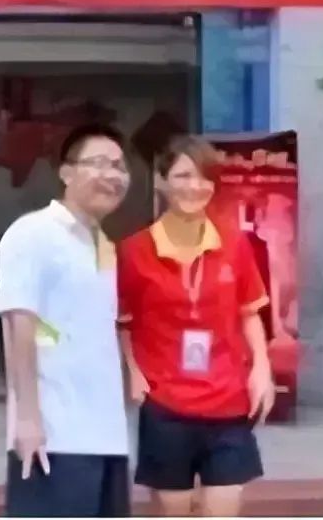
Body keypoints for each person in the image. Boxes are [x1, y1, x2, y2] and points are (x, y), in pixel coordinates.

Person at [117, 135, 275, 517]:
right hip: (165, 403)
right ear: (161, 181)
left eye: (205, 177)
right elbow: (124, 321)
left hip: (228, 401)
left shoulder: (234, 243)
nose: (195, 186)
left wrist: (261, 369)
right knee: (174, 511)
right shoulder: (134, 251)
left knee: (223, 507)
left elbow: (248, 312)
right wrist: (133, 373)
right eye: (183, 176)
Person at [0, 124, 132, 518]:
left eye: (120, 167)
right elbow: (19, 325)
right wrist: (27, 419)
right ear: (66, 173)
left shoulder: (103, 245)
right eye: (99, 163)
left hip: (106, 436)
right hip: (55, 438)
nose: (112, 175)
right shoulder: (34, 233)